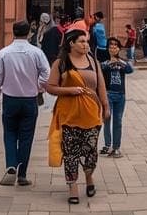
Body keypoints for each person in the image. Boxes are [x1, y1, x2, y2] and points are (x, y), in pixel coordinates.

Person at [46, 29, 107, 203]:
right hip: (68, 116)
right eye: (81, 41)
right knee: (71, 154)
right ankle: (72, 186)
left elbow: (101, 87)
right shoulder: (61, 63)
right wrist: (69, 90)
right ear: (71, 43)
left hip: (91, 115)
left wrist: (106, 106)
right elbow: (50, 87)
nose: (86, 44)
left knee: (90, 152)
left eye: (87, 41)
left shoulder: (93, 62)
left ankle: (89, 178)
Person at [0, 19, 50, 187]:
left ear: (13, 31)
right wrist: (38, 86)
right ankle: (22, 174)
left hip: (10, 98)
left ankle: (11, 165)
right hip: (29, 99)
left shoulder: (4, 53)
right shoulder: (36, 52)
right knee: (26, 137)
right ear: (29, 33)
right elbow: (46, 72)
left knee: (9, 133)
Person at [100, 37, 132, 157]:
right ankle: (107, 145)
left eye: (115, 46)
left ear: (119, 48)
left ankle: (116, 147)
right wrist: (110, 63)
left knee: (118, 121)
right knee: (107, 120)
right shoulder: (104, 63)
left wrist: (119, 62)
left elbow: (130, 70)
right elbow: (102, 69)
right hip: (108, 94)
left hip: (120, 95)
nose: (113, 48)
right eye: (111, 46)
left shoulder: (122, 63)